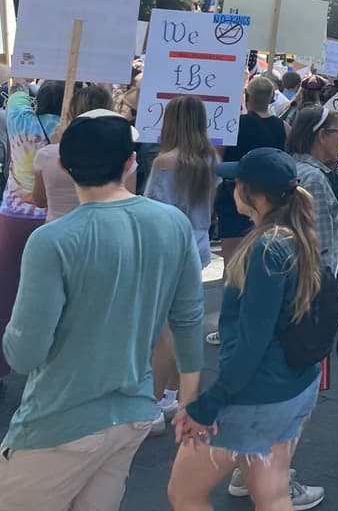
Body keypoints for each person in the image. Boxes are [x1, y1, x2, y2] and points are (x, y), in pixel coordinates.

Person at [0, 109, 204, 511]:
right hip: (132, 413)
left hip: (59, 419)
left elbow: (24, 352)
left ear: (61, 164)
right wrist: (190, 402)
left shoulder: (53, 240)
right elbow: (188, 318)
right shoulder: (172, 223)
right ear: (131, 161)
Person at [167, 148, 326, 511]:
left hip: (256, 397)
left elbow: (252, 343)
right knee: (271, 495)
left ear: (253, 194)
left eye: (236, 182)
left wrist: (209, 405)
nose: (230, 187)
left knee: (184, 493)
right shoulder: (295, 237)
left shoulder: (266, 249)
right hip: (295, 387)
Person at [145, 96, 220, 420]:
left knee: (164, 331)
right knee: (185, 322)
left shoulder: (165, 161)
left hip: (169, 245)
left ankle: (155, 400)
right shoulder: (210, 158)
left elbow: (151, 207)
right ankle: (174, 393)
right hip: (199, 242)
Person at [212, 75, 288, 345]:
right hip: (269, 198)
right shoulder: (281, 126)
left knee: (232, 262)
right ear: (271, 97)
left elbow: (219, 156)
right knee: (263, 259)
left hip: (236, 195)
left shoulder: (238, 124)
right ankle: (254, 323)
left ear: (247, 96)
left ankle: (228, 324)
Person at [0, 79, 62, 395]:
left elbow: (16, 92)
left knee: (6, 291)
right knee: (51, 294)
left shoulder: (19, 117)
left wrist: (23, 83)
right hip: (54, 217)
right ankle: (50, 364)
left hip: (13, 214)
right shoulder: (68, 126)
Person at [33, 84, 134, 221]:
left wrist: (56, 146)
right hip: (106, 232)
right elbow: (128, 204)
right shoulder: (124, 156)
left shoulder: (47, 155)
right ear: (110, 110)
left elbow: (40, 201)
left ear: (71, 112)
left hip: (59, 231)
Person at [286, 106, 338, 278]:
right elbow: (320, 247)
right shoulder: (314, 179)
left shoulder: (294, 167)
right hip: (313, 287)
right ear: (322, 135)